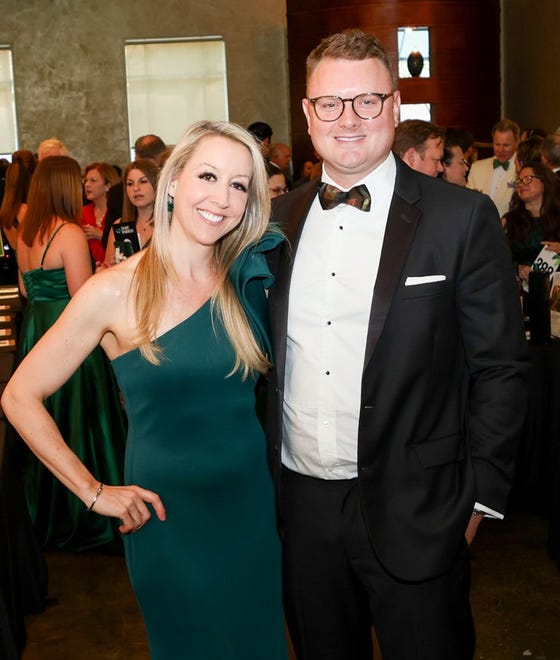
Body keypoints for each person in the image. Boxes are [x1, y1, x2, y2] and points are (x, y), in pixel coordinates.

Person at [266, 29, 528, 660]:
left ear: (394, 105)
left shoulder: (461, 217)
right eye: (330, 103)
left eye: (367, 100)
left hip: (422, 507)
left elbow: (501, 367)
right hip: (301, 509)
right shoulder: (276, 226)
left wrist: (481, 498)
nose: (348, 119)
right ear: (307, 114)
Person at [2, 121, 288, 660]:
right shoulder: (113, 290)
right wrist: (92, 491)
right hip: (166, 519)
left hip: (250, 512)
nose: (222, 197)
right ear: (174, 182)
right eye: (208, 175)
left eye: (238, 185)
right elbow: (18, 396)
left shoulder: (249, 277)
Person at [11, 155, 127, 552]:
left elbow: (27, 290)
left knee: (44, 420)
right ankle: (85, 512)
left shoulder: (26, 233)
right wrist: (108, 275)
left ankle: (49, 511)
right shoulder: (70, 233)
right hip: (68, 334)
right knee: (81, 423)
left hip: (35, 330)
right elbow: (83, 296)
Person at [502, 160, 560, 284]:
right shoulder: (509, 221)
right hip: (518, 291)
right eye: (519, 180)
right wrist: (518, 268)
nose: (522, 184)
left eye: (528, 179)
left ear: (544, 181)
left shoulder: (557, 217)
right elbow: (494, 258)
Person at [102, 159, 158, 267]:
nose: (136, 188)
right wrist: (112, 268)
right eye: (130, 184)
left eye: (143, 181)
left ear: (156, 185)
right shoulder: (119, 226)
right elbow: (106, 270)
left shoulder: (172, 224)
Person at [467, 118, 520, 217]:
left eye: (506, 145)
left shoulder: (522, 169)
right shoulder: (477, 167)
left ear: (517, 143)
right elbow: (468, 203)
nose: (501, 150)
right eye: (497, 144)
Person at [81, 162, 121, 265]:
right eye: (86, 181)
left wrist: (101, 235)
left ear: (107, 186)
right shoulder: (82, 212)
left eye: (93, 181)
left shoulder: (117, 213)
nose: (87, 185)